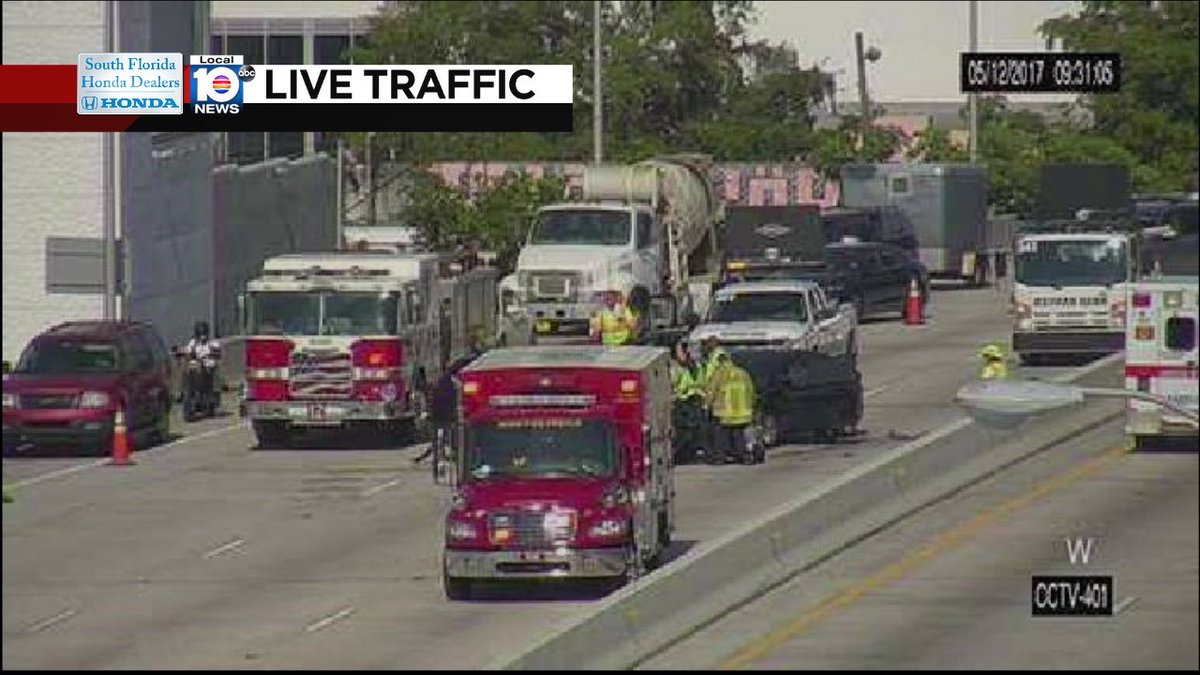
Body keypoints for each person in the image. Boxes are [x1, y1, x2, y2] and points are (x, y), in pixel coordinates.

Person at [414, 339, 486, 465]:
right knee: (445, 433)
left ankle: (439, 454)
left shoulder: (448, 377)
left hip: (442, 410)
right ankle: (447, 453)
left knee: (441, 434)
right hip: (445, 411)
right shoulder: (455, 377)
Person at [704, 350, 758, 464]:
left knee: (721, 436)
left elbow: (712, 392)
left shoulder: (719, 374)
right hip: (742, 413)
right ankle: (743, 456)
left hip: (725, 413)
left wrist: (706, 405)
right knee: (738, 435)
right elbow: (751, 392)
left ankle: (720, 457)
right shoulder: (743, 373)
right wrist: (752, 406)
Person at [670, 339, 705, 463]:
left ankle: (687, 455)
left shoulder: (698, 367)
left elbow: (701, 383)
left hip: (695, 402)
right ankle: (676, 455)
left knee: (693, 431)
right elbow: (672, 385)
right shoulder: (676, 368)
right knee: (683, 432)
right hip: (682, 403)